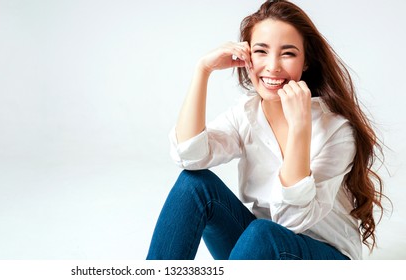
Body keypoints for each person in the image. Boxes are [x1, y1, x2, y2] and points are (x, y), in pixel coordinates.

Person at [146, 0, 385, 260]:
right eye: (261, 51)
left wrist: (300, 126)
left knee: (263, 232)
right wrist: (203, 70)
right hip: (257, 252)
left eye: (288, 53)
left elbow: (292, 219)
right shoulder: (247, 114)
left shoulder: (336, 130)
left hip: (325, 257)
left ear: (306, 62)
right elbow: (189, 156)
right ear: (246, 56)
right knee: (193, 185)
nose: (272, 66)